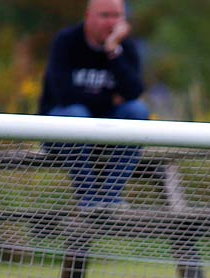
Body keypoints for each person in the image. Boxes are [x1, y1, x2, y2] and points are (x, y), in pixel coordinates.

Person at [39, 0, 148, 209]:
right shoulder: (66, 41)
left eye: (117, 16)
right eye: (105, 15)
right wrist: (109, 101)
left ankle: (110, 198)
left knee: (137, 111)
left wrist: (113, 51)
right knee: (77, 114)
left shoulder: (125, 47)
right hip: (61, 130)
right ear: (88, 15)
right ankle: (88, 199)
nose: (112, 22)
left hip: (104, 132)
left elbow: (133, 93)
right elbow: (65, 96)